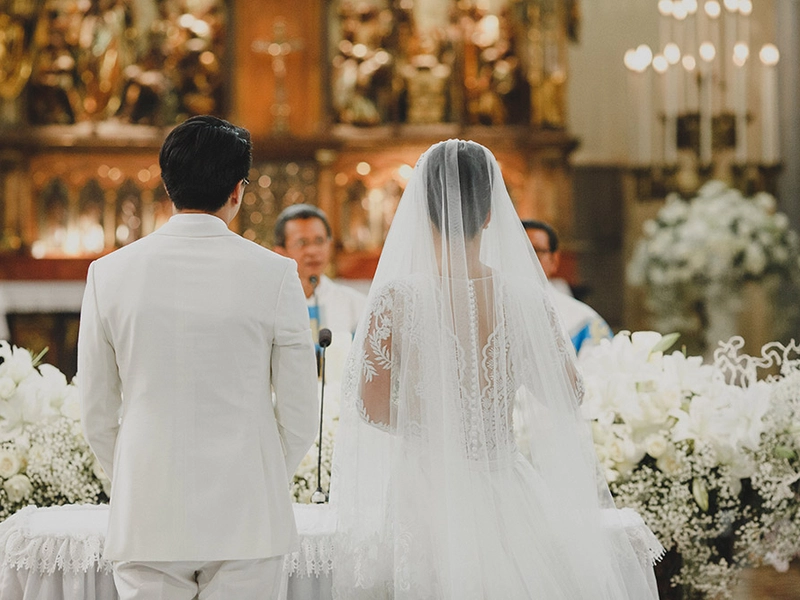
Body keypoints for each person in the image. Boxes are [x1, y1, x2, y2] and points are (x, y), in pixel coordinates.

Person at [330, 140, 661, 599]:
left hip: (423, 492)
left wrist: (436, 423)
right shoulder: (523, 299)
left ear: (423, 212)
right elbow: (569, 392)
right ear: (490, 215)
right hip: (503, 485)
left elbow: (369, 405)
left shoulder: (396, 299)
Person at [78, 115, 319, 600]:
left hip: (147, 511)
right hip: (249, 515)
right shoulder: (274, 274)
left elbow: (97, 415)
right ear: (237, 190)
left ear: (169, 185)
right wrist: (259, 473)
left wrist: (139, 474)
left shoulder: (109, 274)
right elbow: (299, 415)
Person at [273, 203, 366, 341]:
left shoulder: (355, 304)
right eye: (302, 243)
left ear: (329, 244)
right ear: (280, 252)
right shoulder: (270, 303)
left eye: (319, 241)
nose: (313, 251)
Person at [522, 219, 613, 354]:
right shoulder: (485, 311)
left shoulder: (582, 321)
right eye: (518, 250)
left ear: (554, 260)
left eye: (536, 251)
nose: (523, 259)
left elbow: (599, 370)